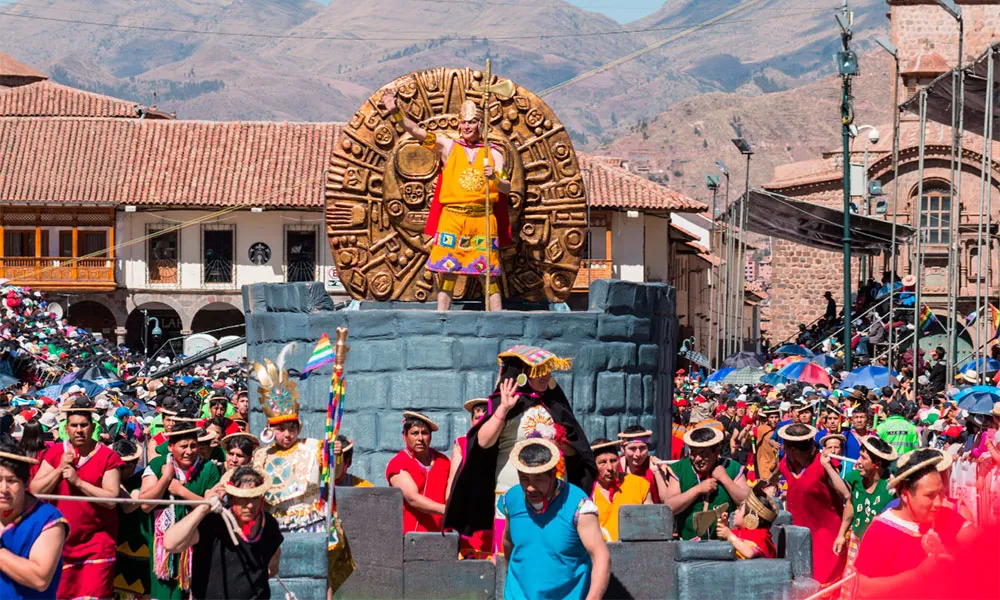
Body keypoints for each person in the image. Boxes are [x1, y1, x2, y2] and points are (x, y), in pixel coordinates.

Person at [445, 345, 596, 554]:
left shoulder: (555, 405)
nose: (546, 376)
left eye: (547, 371)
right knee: (511, 552)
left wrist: (561, 445)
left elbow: (577, 451)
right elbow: (483, 442)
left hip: (553, 491)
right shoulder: (505, 404)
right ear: (523, 374)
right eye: (539, 371)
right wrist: (503, 408)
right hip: (512, 489)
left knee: (551, 550)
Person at [381, 89, 513, 312]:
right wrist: (395, 111)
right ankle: (441, 318)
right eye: (464, 122)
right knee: (447, 272)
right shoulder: (448, 147)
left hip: (482, 221)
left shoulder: (494, 154)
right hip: (452, 220)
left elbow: (507, 188)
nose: (467, 127)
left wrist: (494, 178)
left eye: (472, 122)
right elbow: (416, 131)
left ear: (480, 124)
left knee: (488, 274)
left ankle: (498, 320)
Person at [30, 398, 123, 600]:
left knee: (94, 595)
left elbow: (111, 499)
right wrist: (59, 469)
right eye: (74, 425)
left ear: (93, 427)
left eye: (84, 425)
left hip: (97, 543)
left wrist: (78, 482)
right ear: (66, 429)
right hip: (60, 542)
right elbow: (35, 490)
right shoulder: (55, 453)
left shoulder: (108, 457)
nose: (79, 430)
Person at [853, 448, 973, 599]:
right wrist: (919, 574)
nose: (938, 502)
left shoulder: (946, 517)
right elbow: (865, 590)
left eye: (940, 493)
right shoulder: (880, 531)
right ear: (905, 494)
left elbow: (979, 542)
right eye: (930, 495)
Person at [500, 439, 609, 600]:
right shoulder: (511, 499)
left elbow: (601, 556)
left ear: (552, 474)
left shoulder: (578, 505)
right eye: (524, 478)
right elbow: (508, 541)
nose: (530, 487)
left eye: (538, 479)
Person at [163, 467, 283, 600]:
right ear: (231, 498)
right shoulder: (213, 522)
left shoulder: (269, 524)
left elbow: (272, 567)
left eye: (254, 498)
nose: (249, 505)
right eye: (243, 498)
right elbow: (170, 544)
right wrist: (204, 506)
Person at [139, 423, 222, 600]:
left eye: (193, 445)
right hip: (164, 551)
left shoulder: (208, 468)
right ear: (171, 446)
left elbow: (212, 507)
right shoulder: (157, 465)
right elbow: (145, 505)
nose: (189, 451)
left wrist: (181, 491)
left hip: (198, 544)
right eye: (183, 446)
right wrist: (165, 479)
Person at [250, 360, 323, 533]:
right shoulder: (261, 455)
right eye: (281, 429)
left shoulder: (313, 447)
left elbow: (335, 469)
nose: (287, 434)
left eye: (292, 428)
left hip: (308, 520)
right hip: (273, 522)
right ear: (270, 430)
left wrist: (336, 452)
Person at [778, 423, 846, 586]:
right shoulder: (785, 462)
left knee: (823, 583)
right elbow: (783, 475)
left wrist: (828, 466)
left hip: (825, 535)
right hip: (798, 535)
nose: (782, 448)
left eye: (785, 445)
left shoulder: (823, 463)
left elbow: (845, 493)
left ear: (793, 449)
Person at [830, 435, 896, 600]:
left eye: (863, 458)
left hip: (879, 549)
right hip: (856, 539)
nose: (858, 461)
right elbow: (851, 504)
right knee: (850, 586)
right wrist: (841, 535)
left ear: (877, 463)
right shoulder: (856, 478)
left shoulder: (891, 488)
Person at [0, 442, 69, 599]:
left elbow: (40, 579)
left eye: (11, 481)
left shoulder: (47, 520)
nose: (4, 489)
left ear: (25, 483)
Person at [663, 425, 749, 540]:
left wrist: (725, 479)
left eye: (703, 453)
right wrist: (697, 490)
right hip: (688, 544)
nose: (697, 459)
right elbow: (669, 507)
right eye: (693, 453)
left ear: (716, 451)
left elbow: (748, 503)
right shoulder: (680, 469)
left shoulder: (732, 467)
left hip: (726, 543)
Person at [386, 411, 450, 533]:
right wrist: (448, 510)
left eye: (424, 433)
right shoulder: (398, 463)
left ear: (431, 436)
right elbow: (412, 498)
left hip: (442, 536)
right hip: (409, 537)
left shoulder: (444, 461)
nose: (420, 438)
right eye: (415, 433)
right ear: (405, 436)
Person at [446, 398, 491, 559]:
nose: (481, 421)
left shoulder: (502, 442)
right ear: (471, 420)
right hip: (469, 505)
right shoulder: (462, 443)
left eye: (486, 417)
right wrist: (450, 506)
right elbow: (453, 478)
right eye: (477, 418)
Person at [590, 439, 651, 542]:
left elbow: (652, 523)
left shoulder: (639, 484)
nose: (610, 467)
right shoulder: (586, 490)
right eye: (603, 462)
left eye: (613, 461)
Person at [111, 438, 150, 600]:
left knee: (143, 588)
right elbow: (128, 505)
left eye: (128, 465)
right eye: (121, 466)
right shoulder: (109, 477)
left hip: (140, 540)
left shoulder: (143, 476)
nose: (125, 469)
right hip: (115, 540)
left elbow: (130, 505)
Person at [714, 482, 779, 559]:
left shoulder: (759, 537)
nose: (735, 511)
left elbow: (749, 553)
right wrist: (725, 527)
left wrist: (729, 536)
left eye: (739, 509)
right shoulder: (739, 532)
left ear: (750, 517)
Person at [617, 426, 668, 504]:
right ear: (622, 449)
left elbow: (666, 501)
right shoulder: (615, 467)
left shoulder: (655, 465)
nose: (638, 454)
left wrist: (657, 472)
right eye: (632, 448)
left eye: (642, 448)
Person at [754, 405, 780, 480]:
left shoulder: (782, 429)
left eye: (776, 417)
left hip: (779, 464)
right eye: (771, 417)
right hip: (766, 463)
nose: (774, 420)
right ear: (767, 419)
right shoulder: (762, 429)